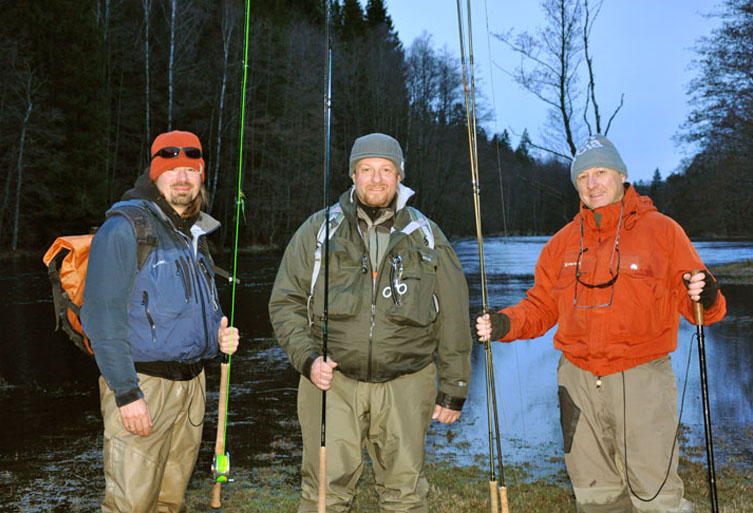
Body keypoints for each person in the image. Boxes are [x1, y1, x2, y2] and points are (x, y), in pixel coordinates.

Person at [476, 134, 726, 513]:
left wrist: (706, 294)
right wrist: (505, 324)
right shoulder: (560, 244)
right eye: (583, 177)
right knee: (595, 496)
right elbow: (541, 307)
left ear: (621, 176)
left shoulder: (662, 231)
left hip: (642, 377)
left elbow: (704, 308)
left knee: (655, 495)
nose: (592, 184)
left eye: (601, 172)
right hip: (576, 381)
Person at [269, 132, 472, 512]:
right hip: (332, 383)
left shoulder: (427, 235)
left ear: (399, 177)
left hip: (407, 385)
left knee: (405, 493)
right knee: (324, 493)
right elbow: (286, 303)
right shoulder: (317, 231)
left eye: (385, 170)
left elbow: (455, 315)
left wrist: (455, 384)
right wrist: (308, 359)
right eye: (366, 169)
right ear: (352, 175)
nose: (376, 179)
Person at [82, 130, 240, 512]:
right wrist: (126, 393)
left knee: (171, 499)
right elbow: (101, 319)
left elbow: (194, 303)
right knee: (130, 504)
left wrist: (219, 330)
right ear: (155, 175)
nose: (182, 178)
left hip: (192, 388)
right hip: (143, 387)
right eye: (172, 170)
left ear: (202, 176)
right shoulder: (124, 228)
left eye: (191, 169)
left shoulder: (195, 233)